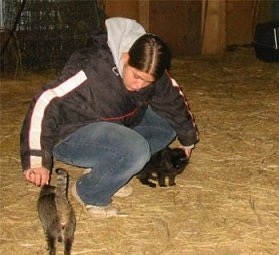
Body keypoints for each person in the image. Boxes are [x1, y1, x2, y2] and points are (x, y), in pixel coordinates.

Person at [20, 17, 199, 217]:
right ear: (125, 58)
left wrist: (188, 140)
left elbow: (173, 101)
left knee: (166, 125)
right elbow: (45, 101)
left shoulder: (151, 70)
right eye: (136, 76)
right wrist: (36, 159)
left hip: (111, 125)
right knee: (136, 150)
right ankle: (89, 193)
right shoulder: (92, 67)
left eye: (147, 81)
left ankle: (106, 171)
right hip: (71, 133)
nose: (139, 85)